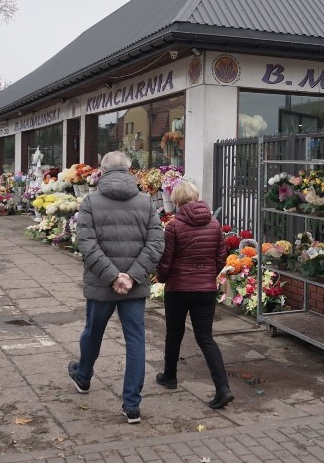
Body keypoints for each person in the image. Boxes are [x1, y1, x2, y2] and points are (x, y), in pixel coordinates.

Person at [68, 151, 165, 424]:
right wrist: (131, 277)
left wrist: (112, 277)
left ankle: (83, 376)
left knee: (93, 332)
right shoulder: (146, 202)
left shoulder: (91, 201)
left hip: (101, 285)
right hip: (133, 288)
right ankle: (132, 405)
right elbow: (156, 244)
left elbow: (86, 243)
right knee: (136, 342)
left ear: (103, 170)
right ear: (129, 169)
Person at [154, 181, 234, 409]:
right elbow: (221, 258)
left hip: (178, 289)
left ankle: (169, 377)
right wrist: (208, 275)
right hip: (205, 290)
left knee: (174, 333)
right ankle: (223, 388)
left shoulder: (174, 227)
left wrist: (160, 278)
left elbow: (166, 260)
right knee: (205, 338)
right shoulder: (214, 224)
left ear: (177, 201)